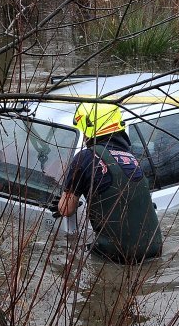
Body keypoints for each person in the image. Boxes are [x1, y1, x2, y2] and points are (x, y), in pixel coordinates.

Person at [57, 102, 162, 263]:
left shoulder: (85, 157)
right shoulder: (132, 158)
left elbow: (66, 209)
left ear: (90, 128)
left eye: (84, 130)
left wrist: (61, 200)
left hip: (116, 256)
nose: (84, 136)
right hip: (155, 249)